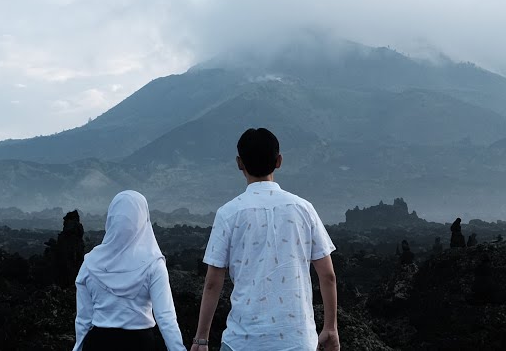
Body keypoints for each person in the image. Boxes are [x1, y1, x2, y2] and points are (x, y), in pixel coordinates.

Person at [191, 127, 338, 351]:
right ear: (279, 161)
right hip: (297, 341)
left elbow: (212, 283)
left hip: (242, 341)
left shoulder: (229, 213)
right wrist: (330, 328)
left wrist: (201, 339)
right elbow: (327, 276)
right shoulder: (303, 209)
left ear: (239, 163)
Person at [74, 190, 184, 351]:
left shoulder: (90, 263)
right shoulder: (153, 264)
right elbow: (166, 317)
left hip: (98, 343)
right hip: (140, 343)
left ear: (111, 218)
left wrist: (77, 348)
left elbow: (83, 318)